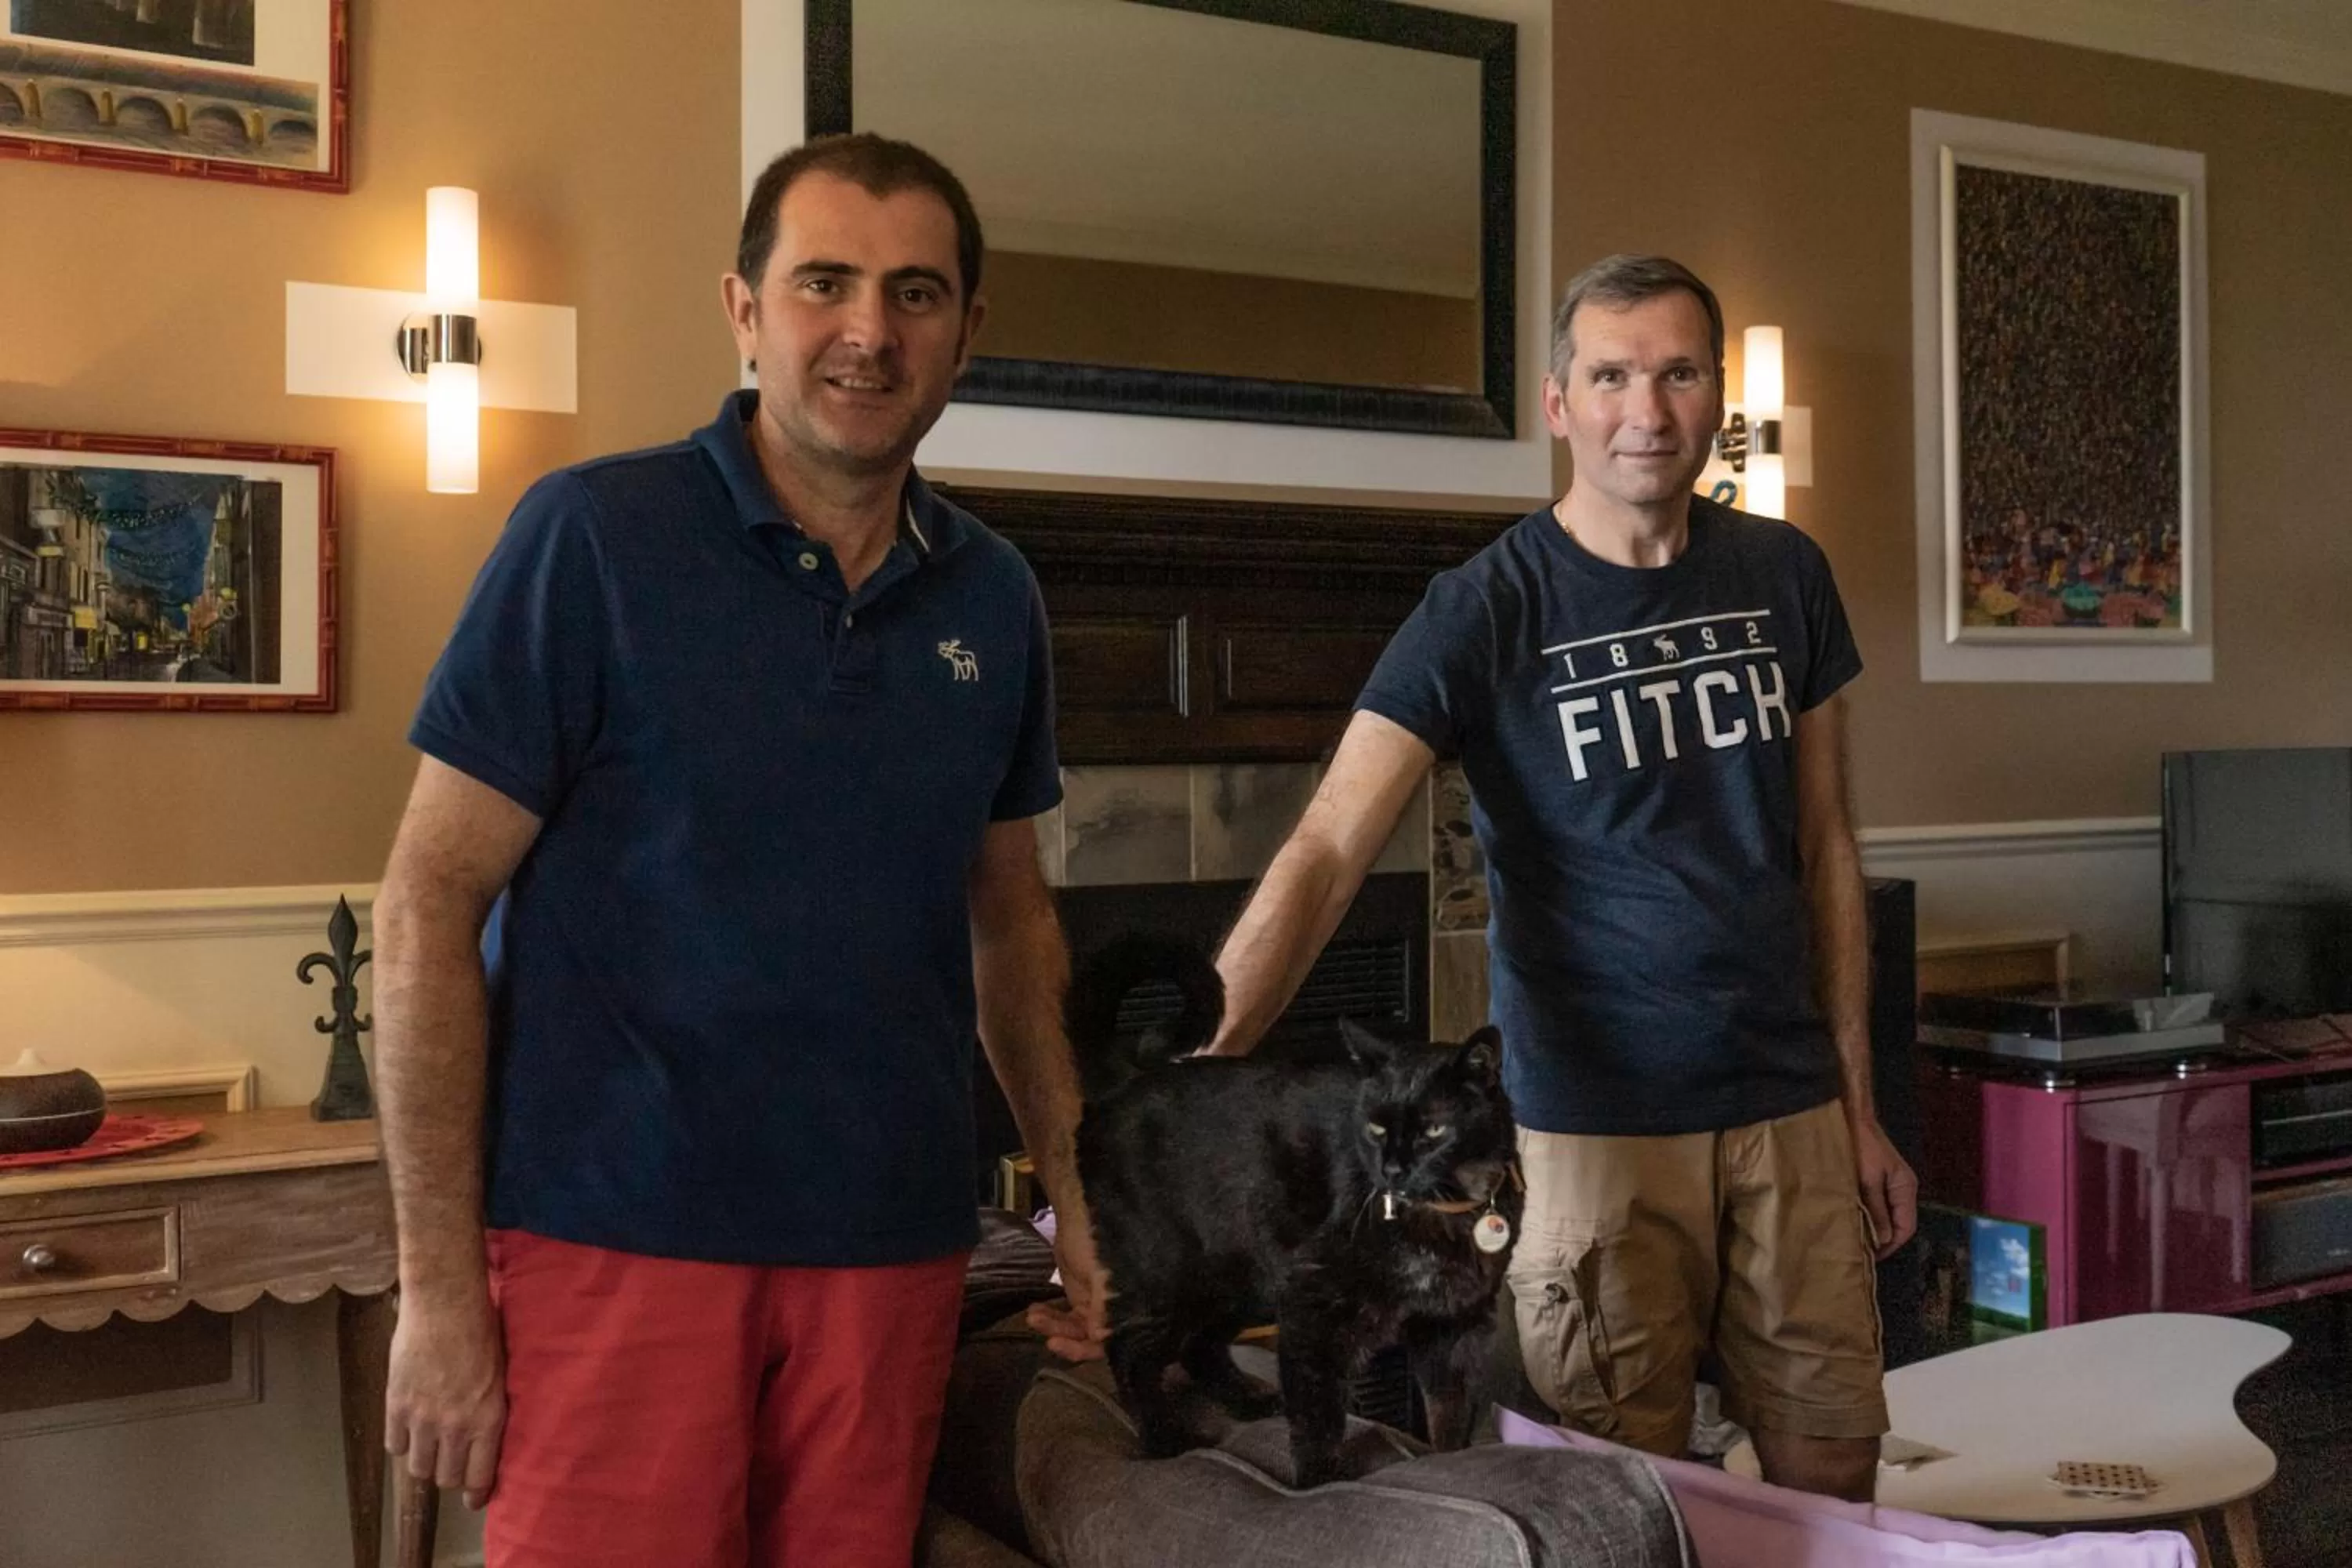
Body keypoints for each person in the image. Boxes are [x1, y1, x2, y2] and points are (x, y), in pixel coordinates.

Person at [371, 132, 1107, 1567]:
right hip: (612, 1243)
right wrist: (441, 1292)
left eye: (915, 293)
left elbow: (1012, 926)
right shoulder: (593, 539)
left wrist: (1079, 1200)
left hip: (892, 1255)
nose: (869, 331)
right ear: (744, 309)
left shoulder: (994, 595)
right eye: (825, 282)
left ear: (966, 331)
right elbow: (425, 906)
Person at [1201, 254, 1917, 1501]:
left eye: (1679, 374)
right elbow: (1325, 848)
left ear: (1717, 394)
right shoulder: (1483, 607)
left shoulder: (1785, 573)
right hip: (1595, 1134)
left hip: (1790, 1110)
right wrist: (1203, 1077)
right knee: (1625, 1502)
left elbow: (1828, 848)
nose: (1647, 410)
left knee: (1833, 1479)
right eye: (1611, 376)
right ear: (1558, 402)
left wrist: (1857, 1106)